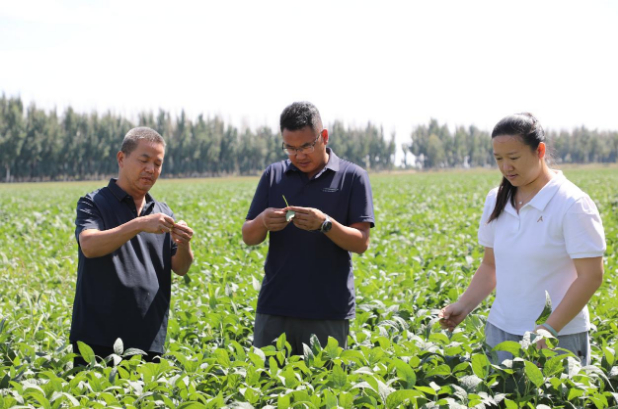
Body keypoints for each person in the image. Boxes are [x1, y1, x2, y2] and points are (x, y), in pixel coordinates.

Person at [439, 113, 605, 365]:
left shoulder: (572, 203)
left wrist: (550, 327)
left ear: (540, 151)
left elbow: (591, 276)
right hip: (500, 331)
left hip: (556, 337)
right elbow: (490, 266)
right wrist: (464, 305)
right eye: (499, 159)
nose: (506, 167)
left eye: (514, 158)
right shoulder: (496, 199)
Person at [242, 101, 375, 355]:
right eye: (290, 148)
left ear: (324, 136)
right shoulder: (274, 175)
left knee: (325, 378)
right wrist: (263, 221)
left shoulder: (352, 177)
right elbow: (248, 236)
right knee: (266, 378)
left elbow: (361, 242)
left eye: (306, 146)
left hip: (328, 311)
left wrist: (325, 224)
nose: (299, 156)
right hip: (275, 308)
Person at [70, 127, 194, 365]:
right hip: (98, 337)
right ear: (121, 158)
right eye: (144, 160)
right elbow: (89, 245)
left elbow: (180, 267)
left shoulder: (162, 212)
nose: (151, 169)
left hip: (148, 338)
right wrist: (139, 224)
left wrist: (184, 244)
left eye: (157, 163)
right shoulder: (95, 202)